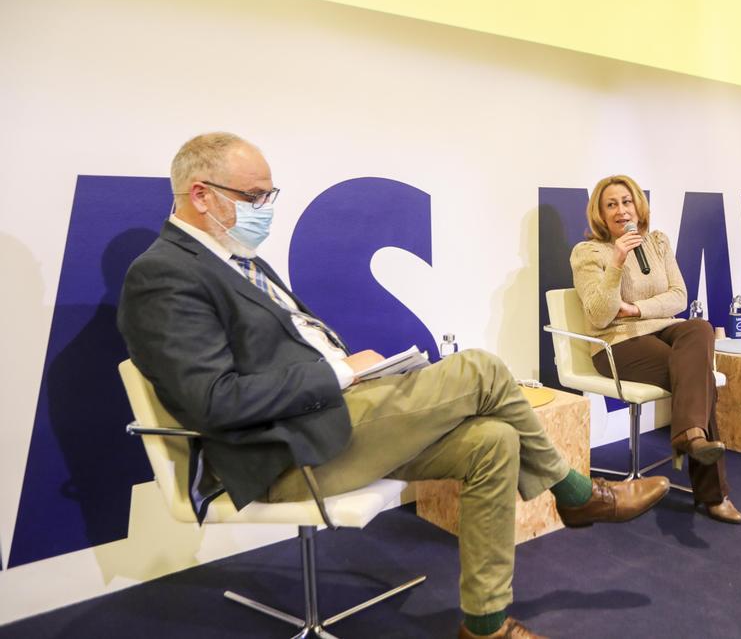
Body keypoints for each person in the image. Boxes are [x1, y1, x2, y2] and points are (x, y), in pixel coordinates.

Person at [118, 133, 670, 639]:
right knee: (480, 368)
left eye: (269, 194)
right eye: (255, 196)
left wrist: (358, 369)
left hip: (335, 417)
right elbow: (212, 401)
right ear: (201, 194)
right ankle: (578, 494)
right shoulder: (164, 273)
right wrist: (339, 372)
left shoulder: (238, 261)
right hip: (285, 451)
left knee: (494, 443)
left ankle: (486, 625)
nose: (266, 208)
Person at [569, 175, 741, 525]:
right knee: (700, 379)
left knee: (699, 326)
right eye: (611, 205)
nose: (621, 210)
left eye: (627, 201)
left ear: (638, 206)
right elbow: (600, 314)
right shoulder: (588, 253)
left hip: (659, 328)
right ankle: (712, 489)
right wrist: (617, 261)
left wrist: (637, 309)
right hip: (617, 344)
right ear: (600, 215)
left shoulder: (658, 242)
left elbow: (679, 296)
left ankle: (689, 433)